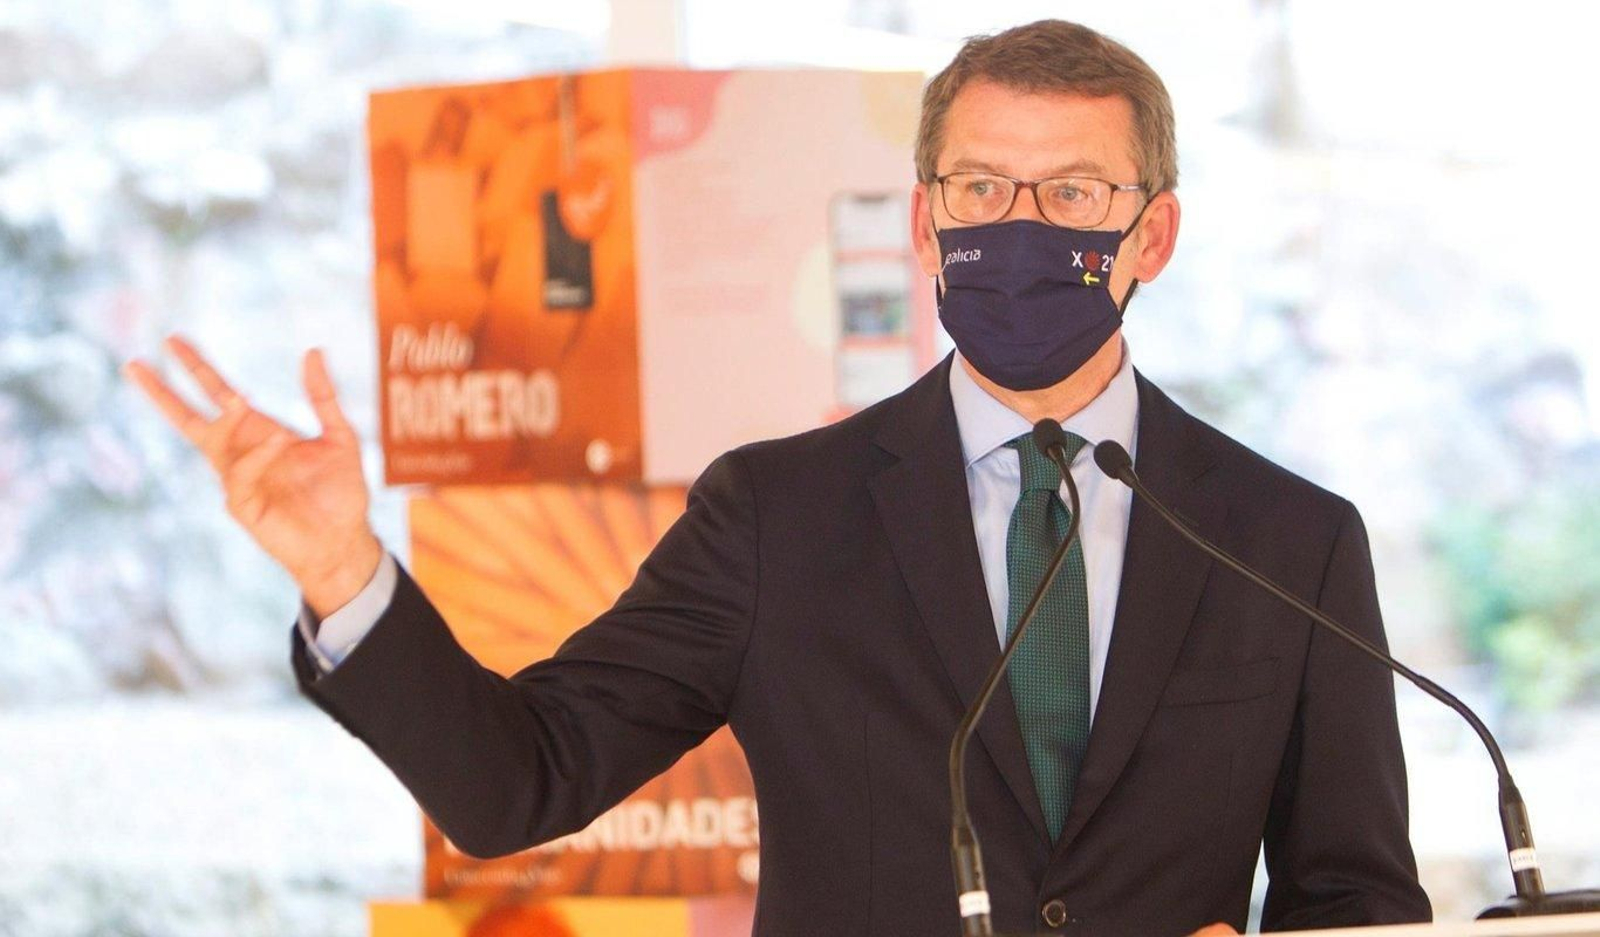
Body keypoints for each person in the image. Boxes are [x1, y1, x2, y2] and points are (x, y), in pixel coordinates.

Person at [127, 19, 1432, 936]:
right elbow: (514, 782)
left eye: (1076, 191)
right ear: (925, 219)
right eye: (983, 184)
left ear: (1156, 230)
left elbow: (1360, 904)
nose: (1019, 223)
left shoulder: (1289, 540)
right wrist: (342, 572)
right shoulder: (778, 516)